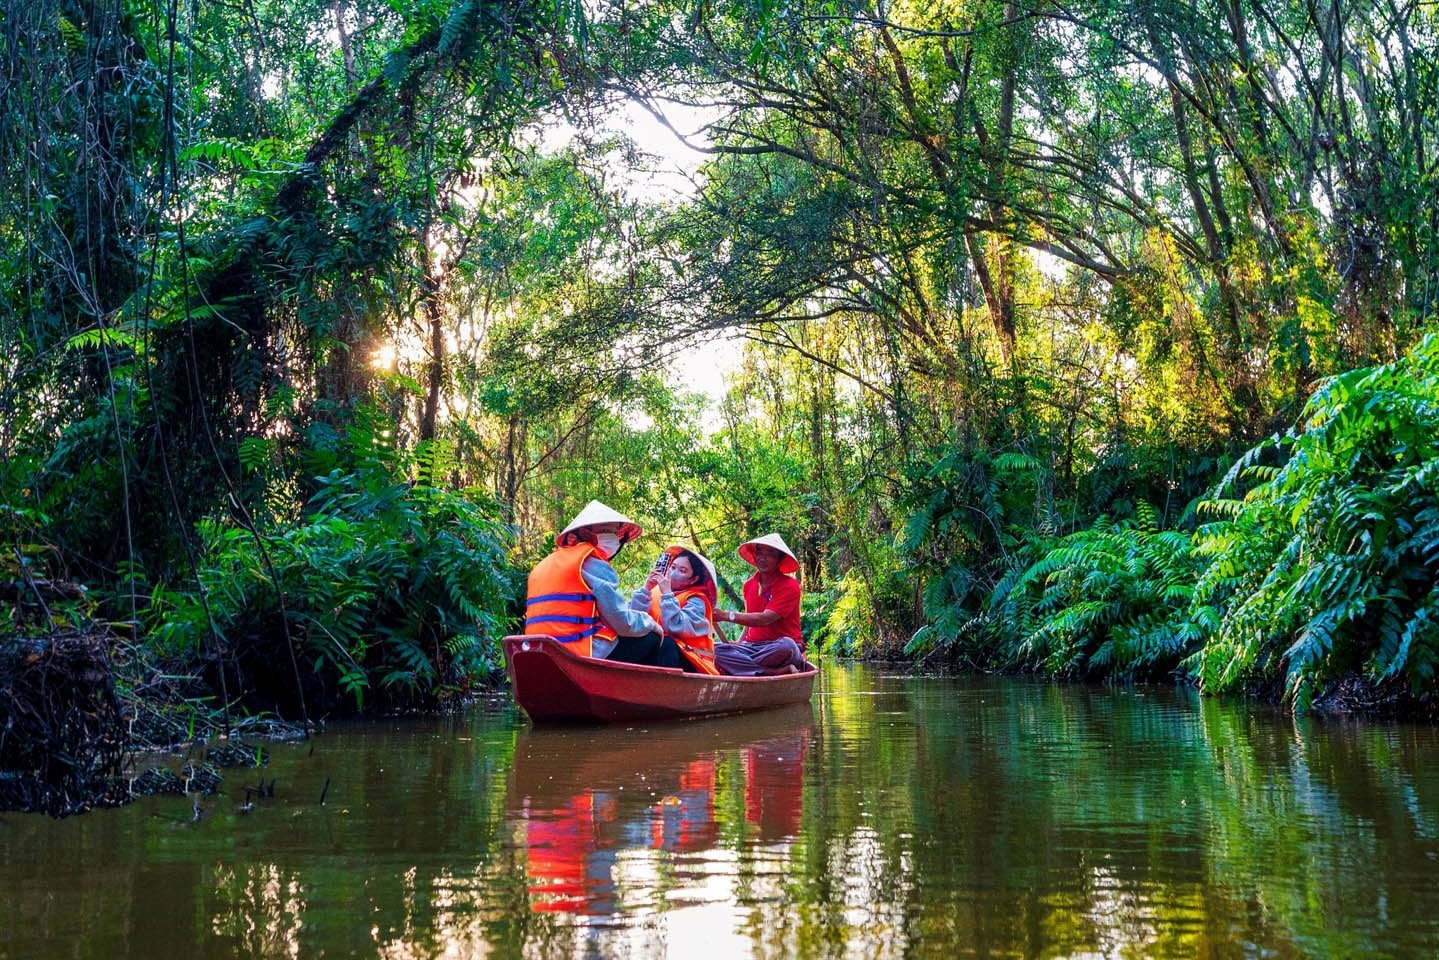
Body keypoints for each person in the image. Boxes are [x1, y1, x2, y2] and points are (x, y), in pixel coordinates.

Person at [525, 500, 681, 667]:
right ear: (584, 533)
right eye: (606, 530)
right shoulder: (593, 562)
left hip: (537, 650)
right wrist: (651, 623)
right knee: (656, 638)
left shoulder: (543, 564)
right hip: (579, 651)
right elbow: (621, 621)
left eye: (615, 533)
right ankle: (640, 691)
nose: (613, 538)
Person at [713, 533, 808, 676]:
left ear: (779, 559)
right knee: (715, 650)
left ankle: (742, 667)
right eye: (759, 552)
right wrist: (739, 643)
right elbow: (750, 620)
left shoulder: (790, 585)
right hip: (752, 647)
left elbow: (764, 619)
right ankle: (771, 672)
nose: (763, 558)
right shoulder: (749, 585)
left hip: (780, 648)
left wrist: (726, 616)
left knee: (786, 646)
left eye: (770, 554)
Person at [631, 545, 720, 675]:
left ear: (693, 579)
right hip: (659, 653)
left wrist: (667, 594)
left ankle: (665, 689)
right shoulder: (656, 591)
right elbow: (633, 617)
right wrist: (646, 588)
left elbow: (676, 627)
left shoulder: (697, 600)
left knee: (667, 643)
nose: (673, 573)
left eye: (682, 570)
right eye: (673, 567)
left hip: (692, 659)